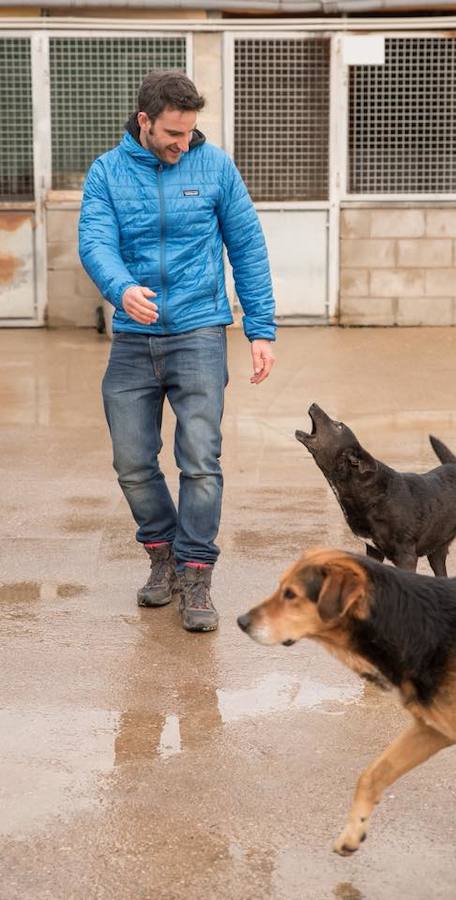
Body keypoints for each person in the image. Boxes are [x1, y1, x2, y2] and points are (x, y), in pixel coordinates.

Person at [79, 70, 276, 633]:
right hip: (134, 339)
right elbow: (95, 240)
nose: (182, 144)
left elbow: (247, 245)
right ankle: (161, 556)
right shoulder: (107, 172)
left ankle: (195, 572)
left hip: (199, 332)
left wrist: (261, 329)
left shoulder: (215, 167)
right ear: (144, 121)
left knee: (200, 459)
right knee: (133, 461)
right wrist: (121, 288)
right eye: (171, 133)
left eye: (189, 133)